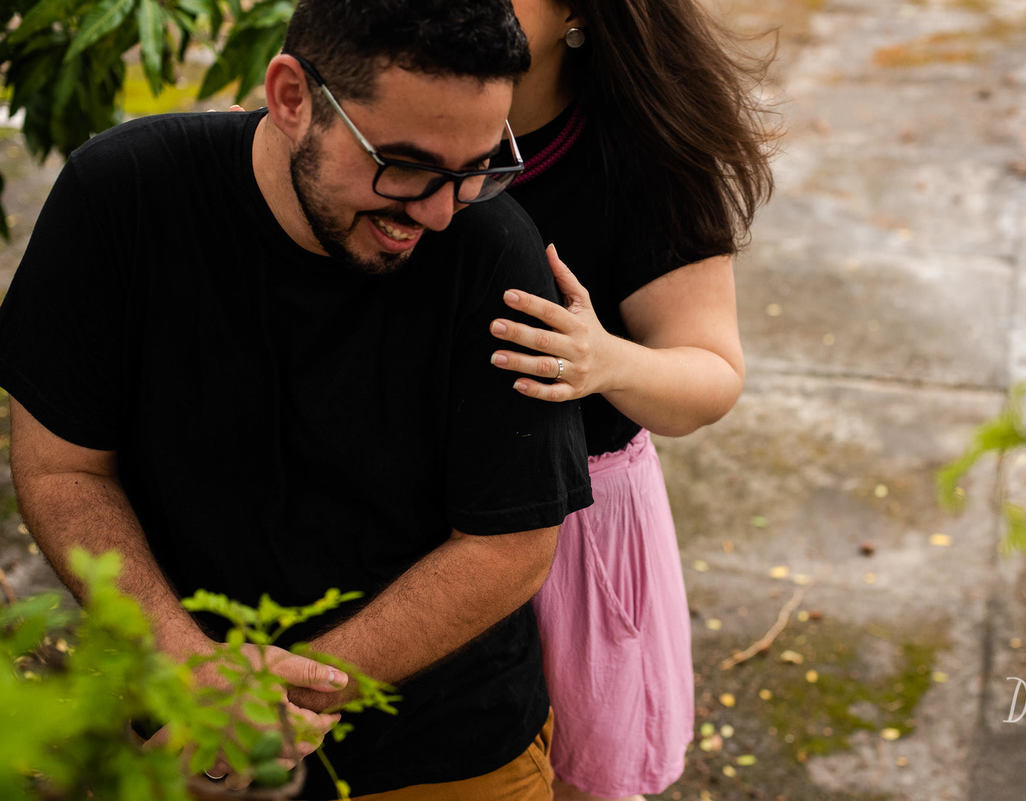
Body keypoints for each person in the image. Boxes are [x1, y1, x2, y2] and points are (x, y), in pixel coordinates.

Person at [0, 1, 591, 799]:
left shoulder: (494, 247)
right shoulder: (124, 195)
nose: (441, 212)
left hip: (446, 750)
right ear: (291, 97)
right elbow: (65, 470)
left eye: (480, 166)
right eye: (406, 165)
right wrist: (191, 667)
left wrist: (291, 689)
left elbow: (510, 544)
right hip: (176, 730)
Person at [484, 1, 776, 800]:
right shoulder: (391, 118)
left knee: (575, 777)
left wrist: (604, 360)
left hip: (574, 538)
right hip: (418, 518)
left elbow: (711, 376)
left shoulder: (643, 158)